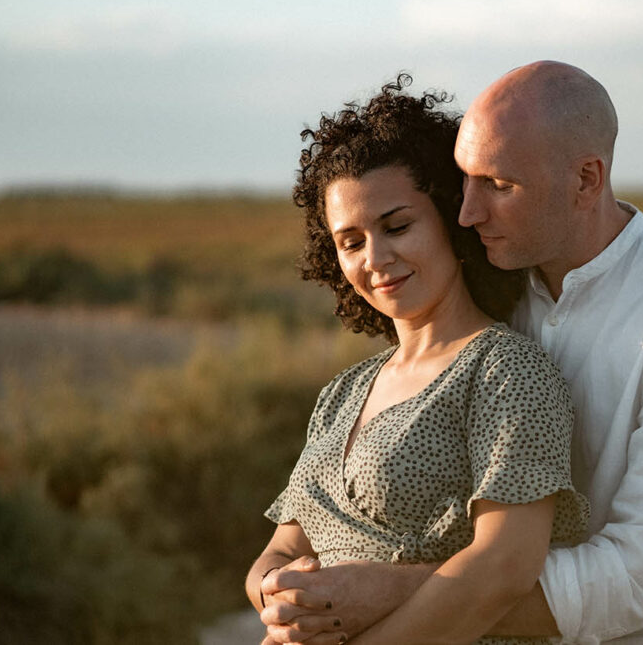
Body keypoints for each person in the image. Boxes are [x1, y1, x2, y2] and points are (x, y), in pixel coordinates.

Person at [260, 61, 643, 644]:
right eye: (465, 182)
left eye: (499, 186)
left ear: (586, 179)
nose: (466, 213)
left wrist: (380, 592)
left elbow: (639, 576)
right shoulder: (498, 290)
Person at [245, 75, 589, 645]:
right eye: (350, 241)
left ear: (453, 220)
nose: (376, 258)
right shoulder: (344, 392)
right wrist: (280, 598)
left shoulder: (505, 371)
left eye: (397, 226)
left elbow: (504, 568)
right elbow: (281, 549)